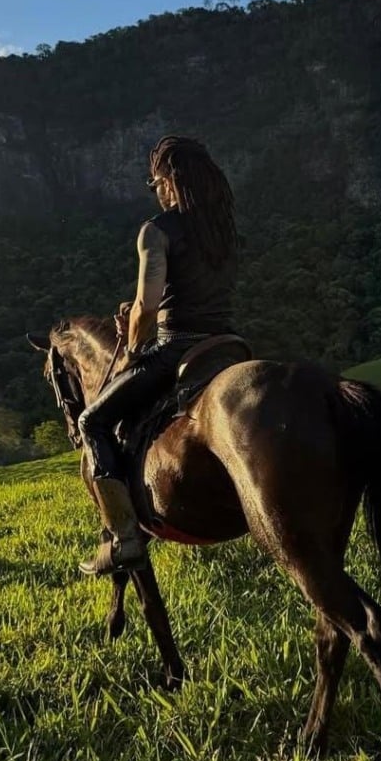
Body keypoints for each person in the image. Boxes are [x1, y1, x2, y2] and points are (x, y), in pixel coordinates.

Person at [77, 135, 239, 577]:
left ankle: (124, 537)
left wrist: (132, 347)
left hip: (177, 347)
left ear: (168, 181)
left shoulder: (157, 230)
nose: (156, 192)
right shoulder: (223, 227)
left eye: (155, 183)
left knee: (91, 422)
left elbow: (147, 306)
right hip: (227, 344)